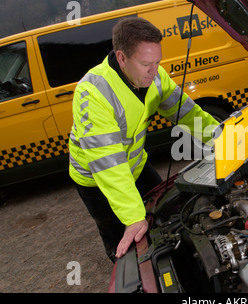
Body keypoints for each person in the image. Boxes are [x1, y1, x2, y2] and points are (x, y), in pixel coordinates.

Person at [69, 17, 219, 262]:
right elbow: (108, 164)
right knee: (125, 239)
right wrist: (132, 216)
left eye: (158, 62)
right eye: (146, 63)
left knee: (166, 212)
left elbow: (188, 113)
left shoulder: (155, 76)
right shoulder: (92, 93)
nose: (155, 70)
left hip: (136, 166)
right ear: (122, 58)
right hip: (97, 180)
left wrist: (222, 138)